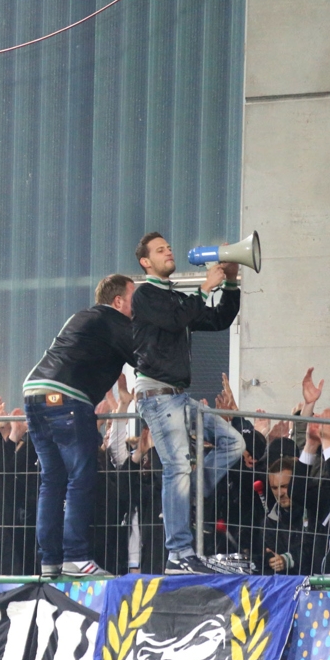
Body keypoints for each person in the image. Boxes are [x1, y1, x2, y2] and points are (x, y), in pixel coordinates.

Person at [131, 233, 245, 574]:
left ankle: (188, 495)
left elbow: (218, 320)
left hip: (177, 396)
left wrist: (232, 283)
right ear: (145, 262)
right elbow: (177, 319)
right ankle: (178, 553)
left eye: (169, 247)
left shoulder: (176, 299)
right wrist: (205, 289)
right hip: (157, 394)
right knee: (177, 468)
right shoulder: (145, 295)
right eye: (160, 250)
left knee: (233, 442)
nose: (169, 251)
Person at [22, 273, 137, 578]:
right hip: (67, 398)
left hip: (34, 392)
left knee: (52, 480)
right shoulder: (114, 320)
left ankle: (50, 561)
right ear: (118, 301)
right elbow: (146, 356)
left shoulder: (83, 317)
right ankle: (75, 557)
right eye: (134, 299)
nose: (138, 308)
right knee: (80, 478)